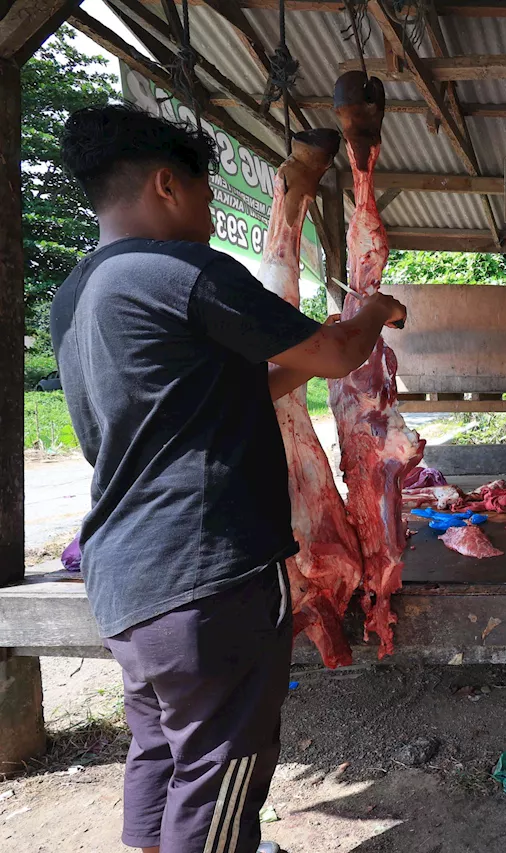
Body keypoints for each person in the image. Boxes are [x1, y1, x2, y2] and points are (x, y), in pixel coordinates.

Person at [50, 104, 407, 853]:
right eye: (208, 197)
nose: (213, 218)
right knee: (222, 769)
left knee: (162, 749)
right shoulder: (179, 272)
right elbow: (340, 353)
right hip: (209, 579)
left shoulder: (77, 295)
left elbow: (212, 394)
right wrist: (373, 309)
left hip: (128, 583)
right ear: (164, 186)